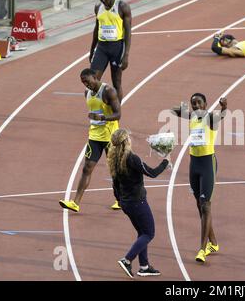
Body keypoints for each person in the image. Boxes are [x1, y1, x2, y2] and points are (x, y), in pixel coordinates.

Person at [171, 93, 227, 263]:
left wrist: (224, 107)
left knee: (206, 206)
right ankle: (214, 243)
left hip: (207, 164)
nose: (195, 105)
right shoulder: (192, 117)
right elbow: (173, 111)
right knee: (199, 205)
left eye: (198, 103)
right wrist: (184, 109)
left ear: (205, 104)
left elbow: (221, 116)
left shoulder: (210, 118)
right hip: (193, 164)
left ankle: (202, 250)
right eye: (193, 103)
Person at [109, 129, 170, 278]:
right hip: (138, 202)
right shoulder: (132, 159)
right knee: (149, 233)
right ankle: (127, 260)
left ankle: (144, 266)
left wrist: (119, 200)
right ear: (126, 141)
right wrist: (165, 161)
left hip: (126, 203)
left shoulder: (114, 160)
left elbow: (115, 185)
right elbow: (152, 173)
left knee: (142, 233)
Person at [59, 68, 121, 212]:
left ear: (95, 77)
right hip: (94, 137)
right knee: (87, 168)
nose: (86, 85)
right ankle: (75, 203)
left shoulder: (108, 91)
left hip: (110, 137)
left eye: (87, 81)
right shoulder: (87, 93)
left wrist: (103, 118)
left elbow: (118, 114)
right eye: (83, 83)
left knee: (114, 170)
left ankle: (120, 199)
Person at [90, 0, 132, 103]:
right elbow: (97, 29)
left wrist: (126, 55)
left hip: (117, 48)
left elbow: (128, 32)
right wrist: (92, 49)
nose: (103, 0)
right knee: (92, 80)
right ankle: (98, 108)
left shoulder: (122, 7)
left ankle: (116, 114)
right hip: (102, 48)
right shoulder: (98, 8)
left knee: (117, 82)